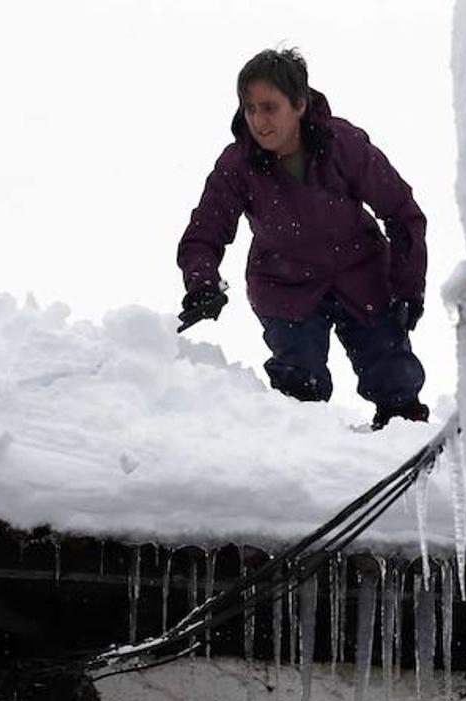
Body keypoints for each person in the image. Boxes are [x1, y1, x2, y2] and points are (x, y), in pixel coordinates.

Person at [176, 47, 430, 430]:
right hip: (285, 285)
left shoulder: (343, 144)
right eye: (250, 108)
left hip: (362, 274)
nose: (258, 121)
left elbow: (402, 212)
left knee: (392, 375)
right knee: (300, 386)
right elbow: (203, 234)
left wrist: (408, 287)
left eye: (269, 107)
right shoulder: (238, 164)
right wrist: (201, 282)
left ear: (299, 104)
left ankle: (403, 438)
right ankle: (308, 467)